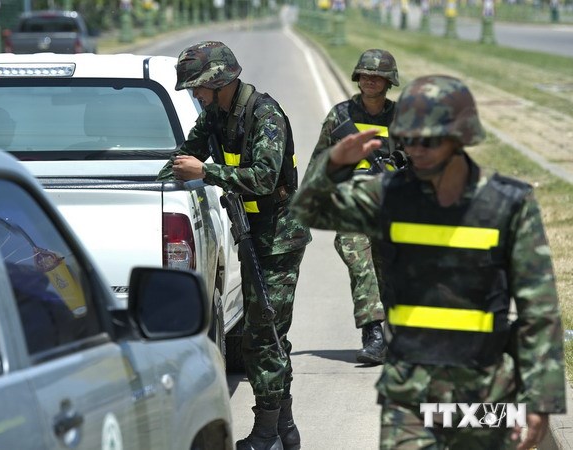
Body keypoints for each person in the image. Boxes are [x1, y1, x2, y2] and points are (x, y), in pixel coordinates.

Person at [291, 74, 566, 449]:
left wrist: (540, 399)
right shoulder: (389, 197)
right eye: (410, 139)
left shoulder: (508, 205)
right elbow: (309, 210)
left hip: (485, 391)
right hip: (409, 396)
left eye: (429, 140)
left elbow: (540, 310)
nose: (417, 149)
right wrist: (334, 162)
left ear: (461, 138)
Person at [157, 41, 311, 450]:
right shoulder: (216, 115)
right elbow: (185, 153)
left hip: (280, 235)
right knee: (265, 334)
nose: (195, 95)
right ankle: (284, 431)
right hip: (252, 232)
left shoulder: (265, 115)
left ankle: (268, 432)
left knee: (265, 335)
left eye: (198, 87)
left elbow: (262, 177)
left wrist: (205, 171)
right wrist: (161, 175)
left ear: (219, 79)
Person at [309, 48, 404, 365]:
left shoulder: (401, 118)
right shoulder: (340, 116)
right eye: (365, 75)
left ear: (388, 81)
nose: (370, 81)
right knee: (360, 266)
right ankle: (373, 336)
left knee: (387, 272)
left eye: (377, 76)